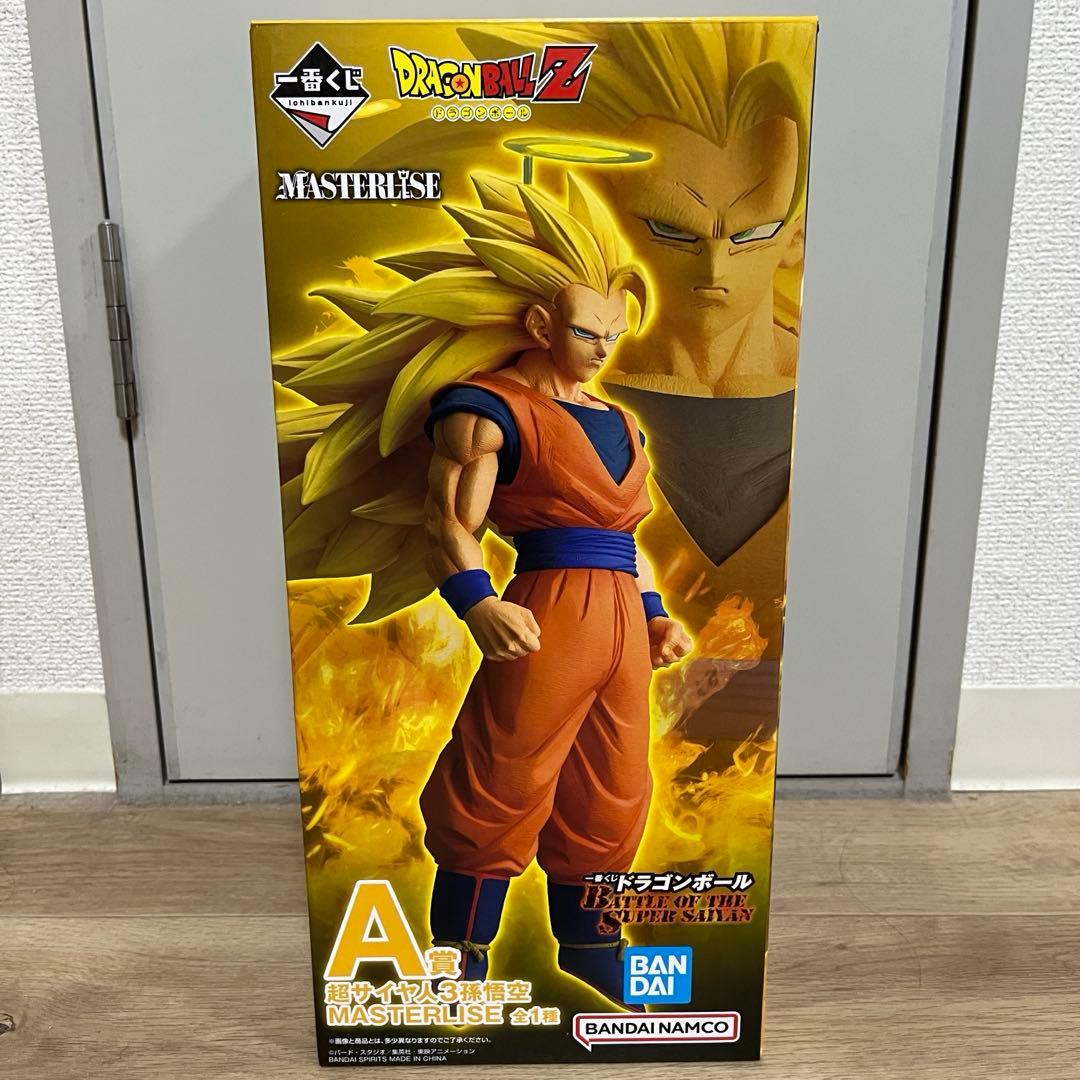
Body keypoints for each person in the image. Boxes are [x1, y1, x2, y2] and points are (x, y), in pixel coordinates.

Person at [277, 177, 690, 1008]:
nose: (602, 349)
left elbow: (627, 539)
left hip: (619, 614)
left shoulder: (619, 420)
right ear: (539, 326)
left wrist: (654, 614)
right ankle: (460, 952)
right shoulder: (486, 409)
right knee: (503, 771)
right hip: (547, 609)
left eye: (612, 335)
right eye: (586, 332)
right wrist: (478, 602)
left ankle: (592, 945)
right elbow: (447, 522)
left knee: (613, 786)